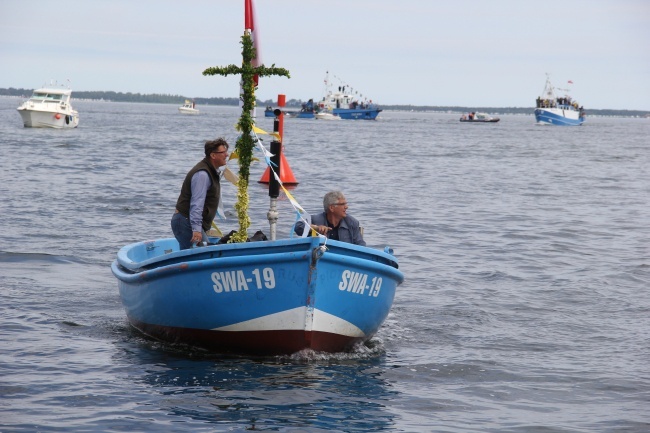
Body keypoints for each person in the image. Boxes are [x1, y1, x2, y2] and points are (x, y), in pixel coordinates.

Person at [171, 138, 229, 249]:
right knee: (204, 255)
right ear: (213, 155)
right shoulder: (202, 174)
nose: (226, 155)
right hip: (184, 221)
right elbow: (197, 203)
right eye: (223, 152)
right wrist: (196, 229)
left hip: (188, 221)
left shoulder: (210, 171)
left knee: (197, 256)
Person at [294, 191, 366, 246]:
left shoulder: (352, 223)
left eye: (346, 204)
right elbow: (298, 227)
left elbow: (361, 246)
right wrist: (316, 228)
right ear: (331, 208)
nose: (346, 207)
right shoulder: (316, 219)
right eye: (342, 204)